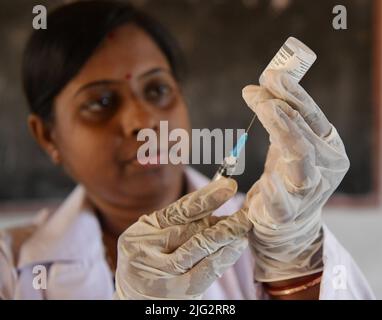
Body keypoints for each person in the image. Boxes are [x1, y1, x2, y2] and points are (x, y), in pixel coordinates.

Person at [0, 0, 375, 300]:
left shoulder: (277, 233)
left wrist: (295, 263)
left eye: (157, 90)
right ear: (47, 136)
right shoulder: (12, 267)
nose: (143, 120)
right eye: (101, 102)